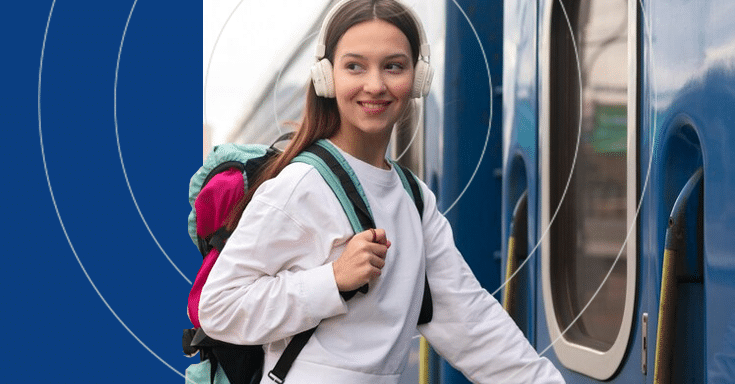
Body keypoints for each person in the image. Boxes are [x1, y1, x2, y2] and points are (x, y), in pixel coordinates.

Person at [197, 0, 566, 382]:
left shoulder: (414, 199)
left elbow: (472, 323)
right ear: (327, 78)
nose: (375, 85)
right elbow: (218, 307)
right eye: (355, 66)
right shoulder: (301, 186)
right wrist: (332, 280)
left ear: (418, 78)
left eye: (393, 66)